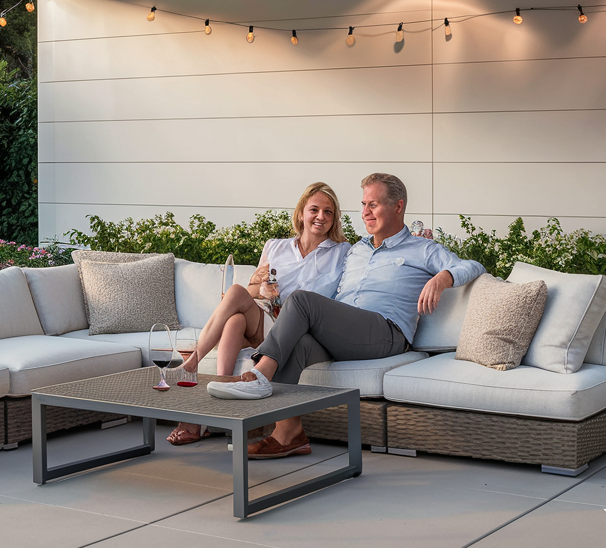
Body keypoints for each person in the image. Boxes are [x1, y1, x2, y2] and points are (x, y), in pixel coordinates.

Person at [207, 173, 486, 460]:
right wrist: (258, 287)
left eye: (373, 205)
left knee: (301, 300)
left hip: (385, 333)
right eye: (363, 204)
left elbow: (473, 266)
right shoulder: (356, 250)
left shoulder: (423, 249)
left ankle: (258, 375)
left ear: (398, 207)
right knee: (299, 343)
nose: (365, 212)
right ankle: (289, 433)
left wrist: (443, 277)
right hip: (345, 334)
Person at [165, 182, 351, 445]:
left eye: (328, 212)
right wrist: (260, 288)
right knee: (237, 309)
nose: (320, 216)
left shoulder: (343, 252)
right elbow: (252, 290)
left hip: (297, 327)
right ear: (301, 214)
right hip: (267, 319)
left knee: (236, 313)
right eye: (314, 209)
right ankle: (216, 384)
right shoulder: (276, 246)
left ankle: (195, 369)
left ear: (334, 219)